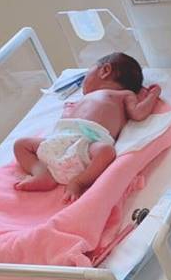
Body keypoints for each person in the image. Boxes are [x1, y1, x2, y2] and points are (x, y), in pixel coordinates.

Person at [13, 52, 161, 201]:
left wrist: (153, 94)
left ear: (105, 71)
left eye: (86, 75)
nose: (83, 82)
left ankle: (79, 181)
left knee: (106, 151)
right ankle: (41, 173)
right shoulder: (83, 99)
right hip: (58, 140)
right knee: (20, 144)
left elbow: (138, 114)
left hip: (88, 144)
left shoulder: (124, 94)